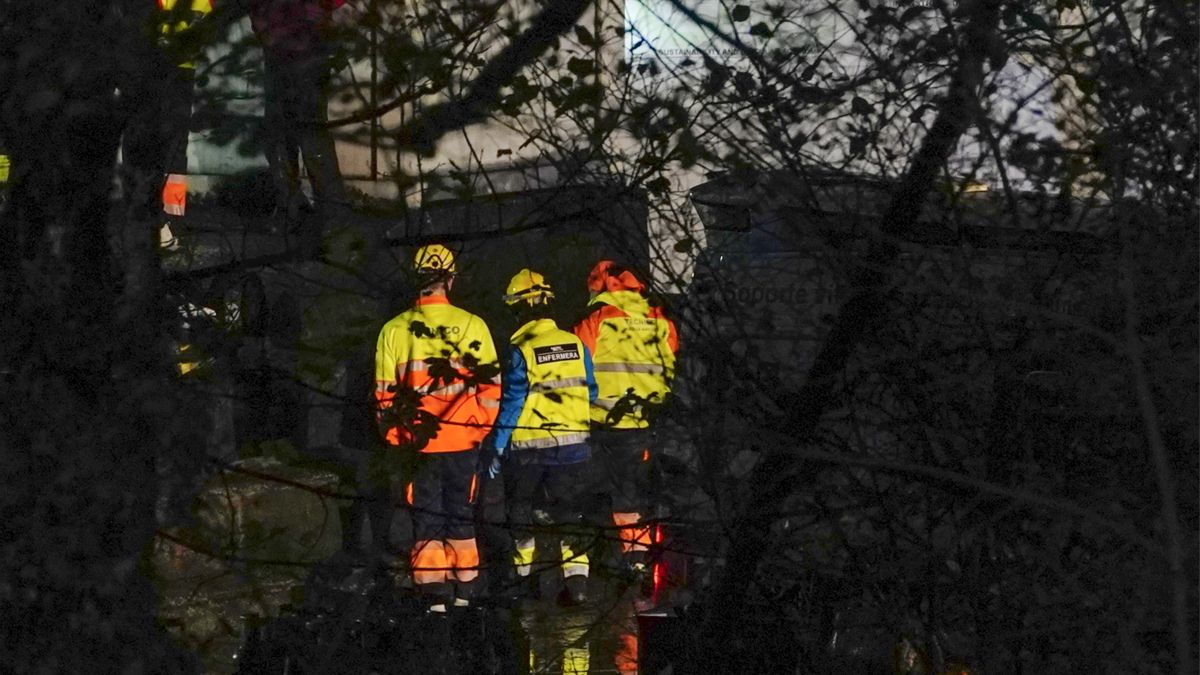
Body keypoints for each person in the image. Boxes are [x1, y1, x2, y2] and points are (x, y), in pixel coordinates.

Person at [373, 244, 500, 614]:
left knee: (426, 520)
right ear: (451, 280)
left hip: (418, 447)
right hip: (464, 441)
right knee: (461, 515)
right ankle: (467, 596)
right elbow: (491, 388)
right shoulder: (474, 325)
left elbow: (383, 395)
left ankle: (433, 604)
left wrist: (398, 439)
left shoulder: (394, 330)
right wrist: (478, 429)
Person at [487, 269, 598, 606]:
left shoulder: (522, 348)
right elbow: (590, 391)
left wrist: (497, 445)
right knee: (571, 516)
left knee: (520, 513)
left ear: (518, 308)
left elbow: (513, 401)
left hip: (529, 452)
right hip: (574, 449)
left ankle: (525, 584)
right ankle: (577, 585)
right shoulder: (576, 343)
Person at [573, 260, 678, 583]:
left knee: (590, 496)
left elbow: (576, 365)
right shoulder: (659, 319)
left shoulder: (598, 319)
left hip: (602, 423)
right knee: (635, 494)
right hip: (648, 423)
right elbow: (673, 363)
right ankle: (638, 562)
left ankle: (582, 569)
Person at [248, 0, 350, 247]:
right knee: (285, 133)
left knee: (306, 131)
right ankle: (304, 210)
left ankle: (325, 213)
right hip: (285, 41)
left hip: (304, 42)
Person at [122, 0, 213, 248]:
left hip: (170, 65)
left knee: (167, 145)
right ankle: (156, 218)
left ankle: (167, 220)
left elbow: (202, 14)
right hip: (154, 64)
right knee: (152, 143)